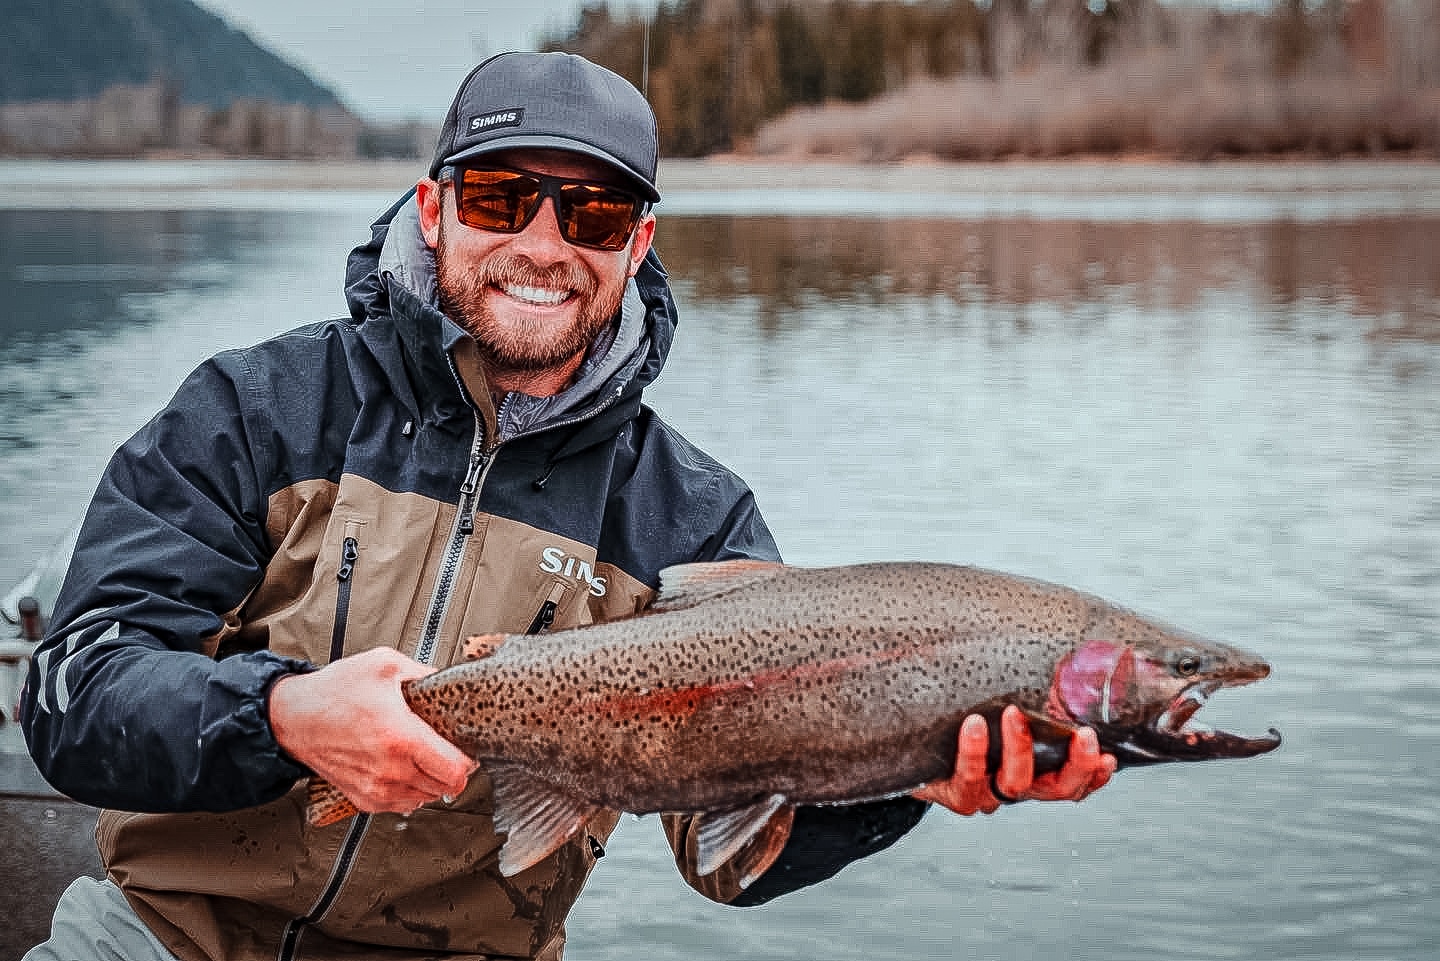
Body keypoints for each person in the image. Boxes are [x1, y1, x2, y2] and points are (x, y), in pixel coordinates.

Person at [21, 51, 1114, 961]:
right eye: (502, 199)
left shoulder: (695, 522)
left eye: (590, 212)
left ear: (636, 245)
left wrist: (908, 774)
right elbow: (76, 696)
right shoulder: (256, 409)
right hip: (160, 937)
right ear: (435, 210)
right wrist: (281, 717)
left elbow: (729, 856)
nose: (544, 245)